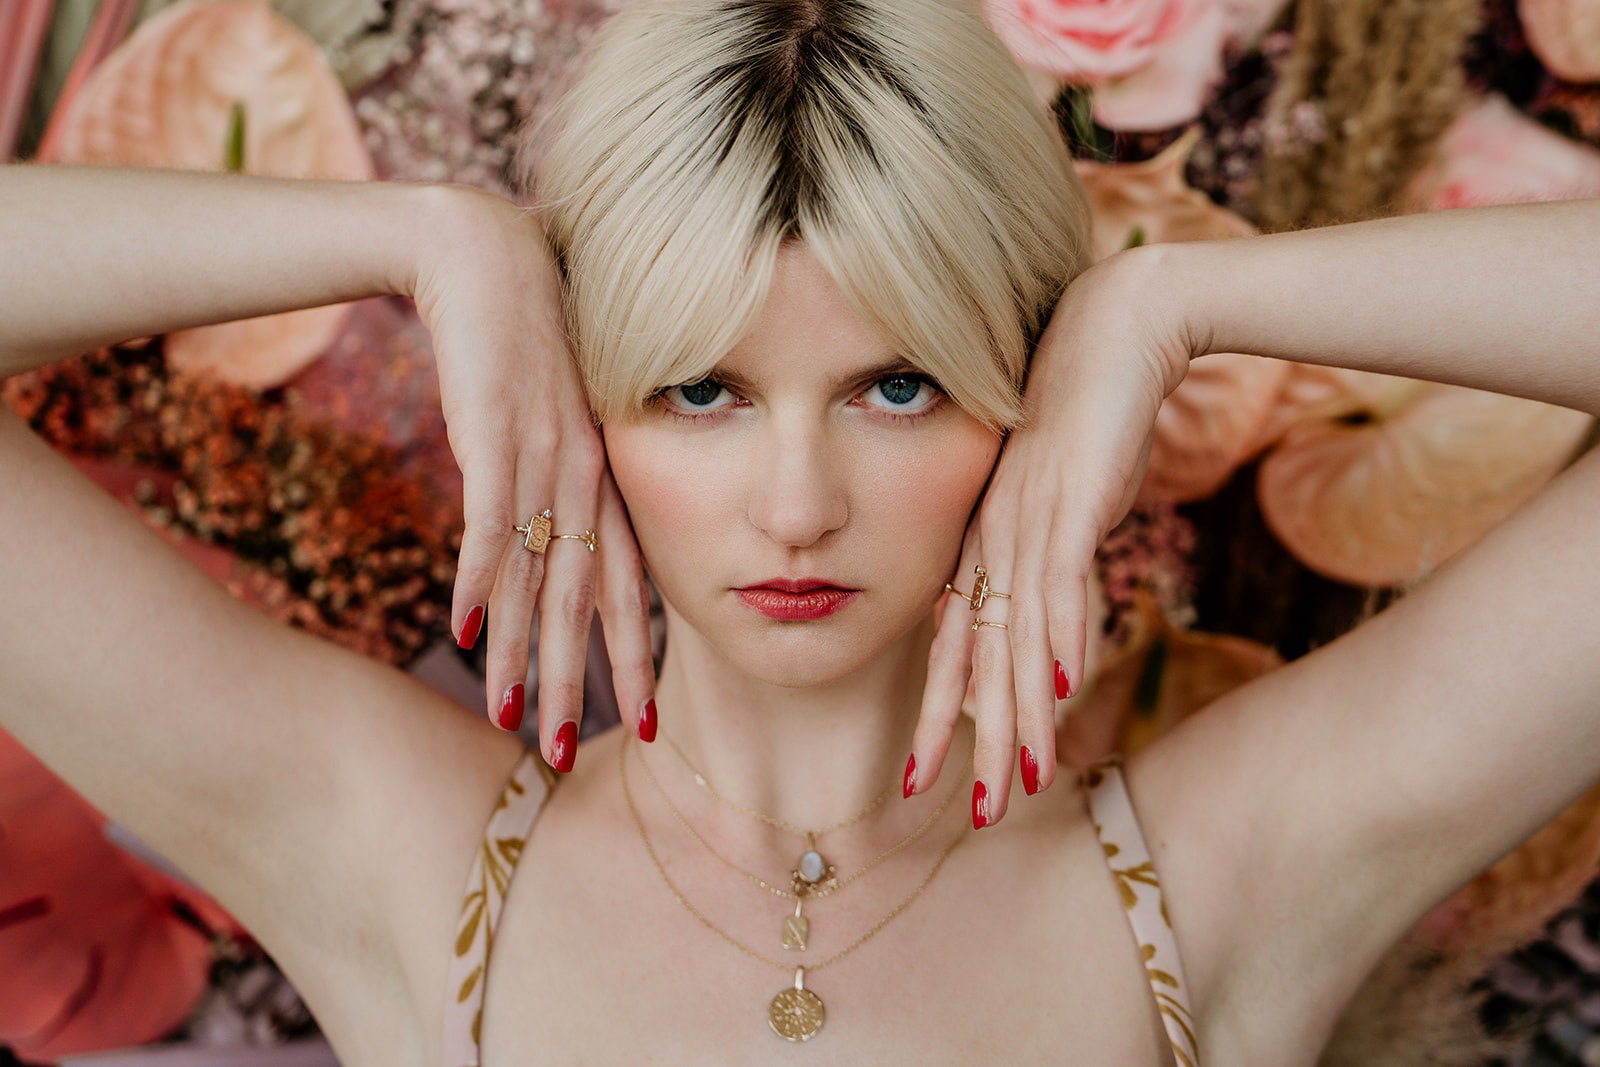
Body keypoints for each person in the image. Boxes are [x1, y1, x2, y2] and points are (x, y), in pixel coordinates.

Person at [2, 0, 1598, 1062]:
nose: (795, 504)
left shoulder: (1228, 875)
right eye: (700, 390)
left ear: (1026, 394)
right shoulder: (383, 848)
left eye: (897, 386)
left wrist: (1169, 301)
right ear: (580, 396)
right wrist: (431, 238)